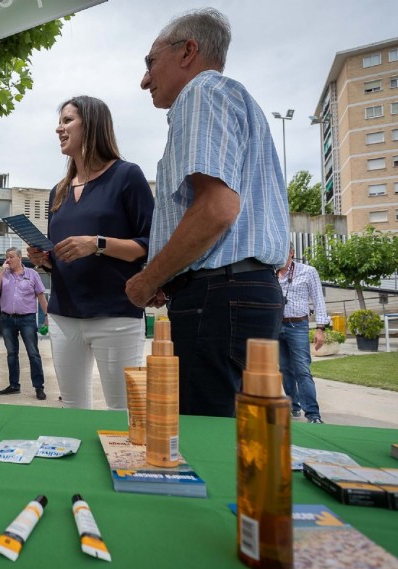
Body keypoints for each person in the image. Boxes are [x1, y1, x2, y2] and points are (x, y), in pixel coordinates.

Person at [125, 8, 290, 417]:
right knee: (240, 438)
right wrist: (176, 274)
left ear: (188, 52)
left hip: (219, 299)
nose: (145, 79)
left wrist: (150, 279)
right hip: (238, 294)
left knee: (207, 443)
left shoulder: (201, 93)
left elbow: (217, 208)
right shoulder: (235, 99)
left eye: (150, 62)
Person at [27, 96, 154, 410]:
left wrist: (97, 243)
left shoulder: (127, 176)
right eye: (60, 121)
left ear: (93, 124)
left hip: (115, 314)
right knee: (72, 408)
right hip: (63, 315)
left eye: (68, 120)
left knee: (123, 411)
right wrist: (45, 261)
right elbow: (63, 259)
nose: (59, 128)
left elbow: (150, 245)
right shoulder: (58, 191)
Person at [277, 243, 329, 424]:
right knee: (284, 369)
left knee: (302, 370)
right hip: (276, 327)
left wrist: (320, 328)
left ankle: (313, 414)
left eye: (282, 250)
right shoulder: (270, 273)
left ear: (291, 252)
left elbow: (318, 300)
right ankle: (293, 405)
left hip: (297, 326)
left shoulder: (308, 271)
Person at [0, 247, 49, 400]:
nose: (8, 260)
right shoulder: (4, 275)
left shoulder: (32, 274)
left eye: (11, 257)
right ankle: (14, 385)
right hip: (7, 319)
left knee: (33, 354)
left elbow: (41, 297)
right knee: (11, 354)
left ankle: (39, 387)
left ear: (20, 258)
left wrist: (47, 317)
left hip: (27, 319)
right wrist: (1, 272)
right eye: (6, 257)